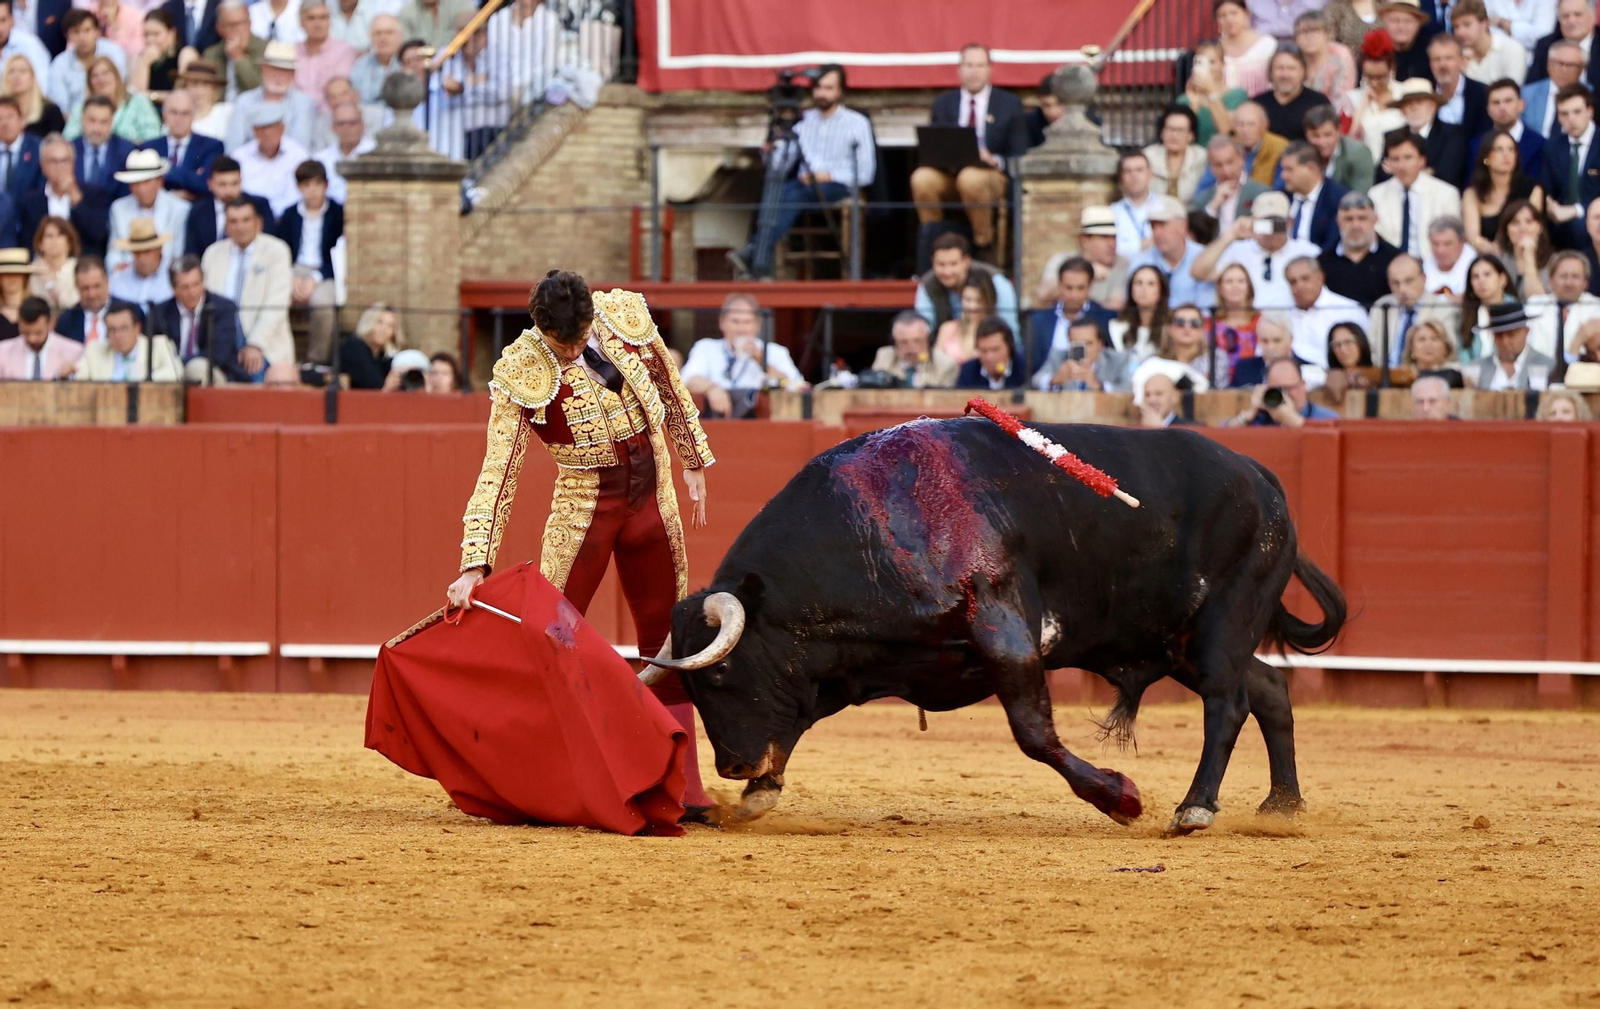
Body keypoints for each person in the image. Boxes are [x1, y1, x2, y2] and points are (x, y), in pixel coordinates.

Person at [441, 270, 716, 815]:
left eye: (577, 339)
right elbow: (499, 469)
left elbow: (666, 379)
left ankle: (683, 786)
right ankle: (517, 775)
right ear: (539, 327)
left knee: (669, 643)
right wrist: (475, 563)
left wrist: (694, 458)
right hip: (585, 506)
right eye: (558, 343)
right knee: (551, 637)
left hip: (652, 496)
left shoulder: (623, 317)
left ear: (592, 317)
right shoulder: (522, 369)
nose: (569, 351)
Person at [727, 65, 874, 281]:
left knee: (793, 193)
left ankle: (755, 253)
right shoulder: (804, 120)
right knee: (778, 191)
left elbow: (866, 172)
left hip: (837, 185)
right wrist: (771, 150)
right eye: (818, 88)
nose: (822, 94)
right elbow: (781, 166)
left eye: (828, 88)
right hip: (802, 186)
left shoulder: (857, 123)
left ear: (840, 91)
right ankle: (759, 260)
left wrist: (828, 175)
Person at [909, 43, 1026, 259]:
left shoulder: (1009, 104)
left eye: (980, 65)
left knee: (970, 178)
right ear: (959, 69)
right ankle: (936, 245)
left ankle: (983, 245)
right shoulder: (943, 103)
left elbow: (1019, 154)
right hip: (950, 172)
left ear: (990, 69)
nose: (974, 71)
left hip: (990, 176)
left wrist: (993, 159)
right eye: (969, 65)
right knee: (922, 178)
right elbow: (934, 144)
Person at [678, 292, 806, 418]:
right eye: (735, 322)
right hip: (714, 420)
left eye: (747, 322)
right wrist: (711, 388)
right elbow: (687, 379)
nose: (741, 329)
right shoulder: (706, 347)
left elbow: (798, 387)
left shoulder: (774, 352)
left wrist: (761, 359)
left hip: (760, 424)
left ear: (757, 325)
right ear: (722, 323)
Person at [1192, 190, 1321, 315]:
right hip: (1247, 324)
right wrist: (1230, 235)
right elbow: (1199, 272)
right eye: (1264, 223)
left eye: (1277, 223)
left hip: (1294, 321)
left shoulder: (1309, 252)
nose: (1271, 229)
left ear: (1289, 223)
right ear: (1253, 222)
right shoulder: (1237, 250)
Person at [200, 196, 291, 372]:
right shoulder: (212, 253)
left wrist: (255, 345)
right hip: (221, 340)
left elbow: (277, 304)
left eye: (246, 220)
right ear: (226, 226)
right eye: (233, 221)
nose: (240, 227)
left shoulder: (276, 251)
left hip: (264, 344)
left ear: (259, 222)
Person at [269, 158, 338, 360]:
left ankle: (316, 360)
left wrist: (315, 278)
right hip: (294, 269)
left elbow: (339, 254)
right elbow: (282, 249)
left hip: (325, 272)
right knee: (275, 299)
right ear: (299, 188)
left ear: (326, 185)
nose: (313, 190)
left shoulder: (337, 213)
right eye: (306, 185)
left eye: (317, 184)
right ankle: (280, 358)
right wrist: (291, 277)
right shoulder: (290, 214)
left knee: (323, 303)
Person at [149, 251, 245, 382]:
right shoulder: (160, 313)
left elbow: (217, 354)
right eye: (185, 287)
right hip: (170, 376)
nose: (192, 292)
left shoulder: (222, 308)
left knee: (197, 369)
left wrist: (180, 365)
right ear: (174, 289)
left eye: (196, 284)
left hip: (216, 373)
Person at [1369, 129, 1462, 258]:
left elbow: (1452, 240)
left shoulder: (1446, 194)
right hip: (1390, 266)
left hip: (1433, 264)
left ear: (1422, 161)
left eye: (1408, 158)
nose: (1401, 165)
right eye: (1395, 159)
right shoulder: (1375, 195)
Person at [914, 232, 1018, 335]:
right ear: (932, 262)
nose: (947, 271)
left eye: (953, 264)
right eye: (941, 264)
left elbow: (1009, 328)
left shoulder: (996, 281)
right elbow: (923, 327)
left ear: (966, 261)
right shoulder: (927, 284)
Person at [1029, 256, 1117, 374]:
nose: (1074, 295)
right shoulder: (1040, 320)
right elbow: (1031, 365)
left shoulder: (1104, 318)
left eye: (1080, 288)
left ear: (1090, 287)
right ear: (1059, 285)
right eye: (1069, 288)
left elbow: (1111, 362)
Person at [1464, 127, 1545, 256]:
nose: (1506, 155)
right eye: (1499, 149)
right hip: (1485, 257)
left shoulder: (1531, 188)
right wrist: (1490, 249)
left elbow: (1532, 229)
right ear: (1486, 157)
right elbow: (1473, 236)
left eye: (1511, 149)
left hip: (1523, 254)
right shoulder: (1473, 192)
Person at [1538, 83, 1600, 249]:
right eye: (1564, 114)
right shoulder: (1553, 147)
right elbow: (1546, 187)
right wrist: (1550, 205)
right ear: (1558, 117)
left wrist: (1576, 210)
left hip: (1594, 218)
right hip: (1559, 221)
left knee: (1578, 226)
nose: (1571, 119)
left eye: (1577, 112)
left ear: (1590, 111)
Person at [106, 147, 187, 274]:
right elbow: (114, 251)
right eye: (136, 183)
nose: (141, 188)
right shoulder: (118, 208)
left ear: (160, 181)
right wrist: (118, 267)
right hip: (128, 276)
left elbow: (177, 252)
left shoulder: (179, 208)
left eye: (146, 182)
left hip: (165, 278)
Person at [224, 41, 314, 153]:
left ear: (293, 74)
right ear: (263, 69)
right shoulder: (244, 101)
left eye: (285, 71)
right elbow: (234, 146)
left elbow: (301, 144)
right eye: (274, 69)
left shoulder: (303, 102)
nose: (279, 76)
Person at [1033, 205, 1128, 310]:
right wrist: (1085, 272)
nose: (1112, 244)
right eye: (1104, 237)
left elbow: (1116, 306)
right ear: (1085, 240)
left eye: (1114, 237)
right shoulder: (1062, 259)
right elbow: (1042, 295)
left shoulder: (1122, 264)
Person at [1128, 194, 1215, 308]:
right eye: (1153, 226)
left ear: (1183, 226)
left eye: (1163, 225)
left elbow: (1209, 308)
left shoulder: (1204, 258)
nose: (1157, 233)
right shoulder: (1141, 262)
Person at [1379, 77, 1467, 191]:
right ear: (1402, 111)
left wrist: (1400, 172)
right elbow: (1382, 175)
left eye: (1419, 102)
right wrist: (1426, 171)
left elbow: (1448, 174)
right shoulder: (1391, 136)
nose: (1414, 108)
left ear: (1433, 107)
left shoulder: (1451, 134)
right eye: (1408, 104)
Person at [1320, 190, 1400, 307]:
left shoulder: (1395, 260)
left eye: (1362, 218)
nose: (1355, 225)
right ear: (1338, 221)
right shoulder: (1322, 263)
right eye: (1348, 219)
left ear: (1375, 220)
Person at [1285, 255, 1367, 366]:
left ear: (1320, 277)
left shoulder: (1349, 310)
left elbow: (1364, 354)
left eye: (1305, 279)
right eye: (1293, 282)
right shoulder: (1281, 312)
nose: (1299, 286)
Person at [1339, 30, 1406, 161]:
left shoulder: (1404, 93)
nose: (1374, 83)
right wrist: (1363, 105)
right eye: (1369, 77)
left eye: (1380, 77)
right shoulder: (1352, 99)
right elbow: (1345, 143)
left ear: (1392, 69)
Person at [70, 301, 182, 379]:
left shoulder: (159, 345)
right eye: (112, 330)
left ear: (137, 328)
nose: (118, 335)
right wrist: (68, 374)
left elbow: (176, 371)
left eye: (124, 329)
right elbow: (78, 376)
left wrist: (145, 381)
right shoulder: (95, 350)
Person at [145, 87, 222, 200]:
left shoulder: (211, 146)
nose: (179, 119)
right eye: (174, 112)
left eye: (185, 113)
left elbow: (206, 184)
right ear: (164, 114)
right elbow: (144, 188)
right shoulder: (149, 147)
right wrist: (192, 177)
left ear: (193, 116)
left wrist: (166, 168)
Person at [45, 9, 126, 116]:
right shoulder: (59, 64)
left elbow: (120, 89)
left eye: (87, 30)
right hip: (76, 121)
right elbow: (61, 108)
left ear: (97, 32)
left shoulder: (114, 53)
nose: (82, 37)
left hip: (117, 114)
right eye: (76, 32)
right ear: (67, 36)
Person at [232, 100, 308, 215]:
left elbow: (297, 195)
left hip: (287, 219)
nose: (267, 133)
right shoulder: (239, 156)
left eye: (272, 127)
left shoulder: (298, 154)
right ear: (254, 131)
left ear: (282, 128)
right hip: (251, 218)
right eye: (261, 128)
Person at [184, 153, 269, 251]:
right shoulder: (198, 211)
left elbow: (269, 244)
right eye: (222, 184)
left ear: (241, 182)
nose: (229, 191)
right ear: (210, 184)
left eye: (234, 183)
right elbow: (191, 251)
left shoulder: (259, 206)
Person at [63, 56, 159, 144]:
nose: (101, 79)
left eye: (105, 73)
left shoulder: (139, 102)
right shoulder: (81, 109)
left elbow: (153, 136)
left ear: (116, 76)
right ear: (89, 83)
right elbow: (68, 140)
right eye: (95, 76)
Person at [1190, 136, 1269, 239]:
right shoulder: (1203, 198)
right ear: (1210, 167)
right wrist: (1213, 206)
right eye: (1218, 165)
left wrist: (1251, 226)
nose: (1226, 171)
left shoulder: (1261, 191)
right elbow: (1194, 235)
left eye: (1230, 162)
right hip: (1215, 253)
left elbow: (1278, 227)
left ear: (1242, 160)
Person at [1526, 249, 1600, 359]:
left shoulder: (1596, 307)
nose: (1569, 283)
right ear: (1551, 281)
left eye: (1575, 276)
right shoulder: (1534, 305)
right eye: (1563, 276)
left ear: (1585, 283)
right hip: (1538, 371)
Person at [1469, 79, 1544, 182]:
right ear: (1488, 110)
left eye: (1508, 101)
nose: (1502, 107)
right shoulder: (1476, 145)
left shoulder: (1540, 144)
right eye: (1496, 103)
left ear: (1521, 105)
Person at [1279, 139, 1348, 250]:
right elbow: (1269, 232)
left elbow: (1332, 245)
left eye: (1289, 170)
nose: (1283, 176)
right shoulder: (1282, 196)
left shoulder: (1337, 199)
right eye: (1283, 169)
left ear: (1311, 168)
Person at [1469, 301, 1556, 388]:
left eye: (1511, 334)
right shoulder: (1477, 368)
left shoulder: (1548, 366)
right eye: (1498, 335)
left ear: (1526, 332)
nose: (1505, 341)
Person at [1232, 355, 1342, 424]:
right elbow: (1221, 446)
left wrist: (1294, 420)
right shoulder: (1260, 418)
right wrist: (1247, 416)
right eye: (1277, 389)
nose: (1284, 395)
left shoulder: (1327, 418)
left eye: (1289, 388)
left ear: (1302, 385)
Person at [1032, 315, 1130, 392]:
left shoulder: (1118, 359)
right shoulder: (1059, 356)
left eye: (1088, 343)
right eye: (1077, 343)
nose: (1084, 349)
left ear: (1100, 344)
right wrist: (1053, 379)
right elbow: (1036, 381)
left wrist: (1099, 385)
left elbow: (1128, 390)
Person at [1252, 45, 1329, 142]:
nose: (1285, 75)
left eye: (1291, 68)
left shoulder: (1318, 103)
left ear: (1303, 71)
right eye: (1280, 68)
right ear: (1271, 72)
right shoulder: (1257, 104)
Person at [1142, 301, 1227, 388]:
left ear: (1202, 329)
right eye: (1180, 322)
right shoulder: (1154, 361)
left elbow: (1219, 393)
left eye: (1195, 323)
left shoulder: (1216, 359)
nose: (1187, 328)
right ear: (1169, 328)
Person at [1179, 40, 1248, 146]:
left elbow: (1227, 132)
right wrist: (1193, 105)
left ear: (1222, 64)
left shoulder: (1237, 95)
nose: (1208, 68)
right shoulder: (1184, 99)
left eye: (1212, 62)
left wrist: (1211, 92)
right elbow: (1181, 138)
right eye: (1201, 62)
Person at [869, 309, 958, 388]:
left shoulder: (945, 364)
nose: (911, 348)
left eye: (917, 341)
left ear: (928, 340)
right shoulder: (884, 357)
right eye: (903, 342)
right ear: (894, 342)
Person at [293, 0, 355, 113]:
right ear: (301, 23)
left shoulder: (344, 51)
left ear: (330, 22)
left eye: (323, 17)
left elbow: (339, 94)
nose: (317, 23)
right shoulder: (292, 52)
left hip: (330, 115)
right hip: (296, 115)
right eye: (311, 18)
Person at [0, 293, 81, 378]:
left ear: (50, 324)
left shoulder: (74, 353)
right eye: (26, 332)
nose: (32, 339)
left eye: (38, 333)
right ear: (19, 324)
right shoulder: (2, 352)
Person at [55, 254, 132, 342]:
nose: (92, 294)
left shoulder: (127, 313)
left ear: (107, 282)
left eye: (96, 286)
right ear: (77, 287)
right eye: (85, 288)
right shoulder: (67, 320)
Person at [1427, 33, 1489, 139]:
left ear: (1461, 61)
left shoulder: (1482, 93)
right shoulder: (1425, 93)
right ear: (1430, 64)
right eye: (1437, 59)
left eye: (1449, 58)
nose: (1442, 65)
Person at [1528, 0, 1600, 91]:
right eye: (1565, 16)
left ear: (1593, 17)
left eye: (1578, 15)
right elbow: (1533, 88)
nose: (1571, 21)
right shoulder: (1546, 45)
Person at [107, 216, 173, 313]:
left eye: (146, 251)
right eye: (137, 252)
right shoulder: (118, 279)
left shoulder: (173, 275)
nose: (141, 258)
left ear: (159, 249)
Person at [1305, 102, 1374, 193]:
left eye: (1327, 135)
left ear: (1339, 131)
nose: (1322, 142)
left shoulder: (1358, 153)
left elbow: (1361, 195)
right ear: (1306, 135)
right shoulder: (1302, 154)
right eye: (1315, 136)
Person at [201, 1, 262, 102]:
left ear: (250, 24)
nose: (236, 30)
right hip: (219, 111)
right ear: (219, 28)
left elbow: (260, 90)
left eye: (240, 24)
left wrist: (238, 57)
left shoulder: (263, 49)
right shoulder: (211, 54)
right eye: (230, 25)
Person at [1522, 40, 1586, 139]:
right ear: (1549, 64)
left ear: (1582, 69)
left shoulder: (1591, 96)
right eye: (1560, 63)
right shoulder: (1527, 94)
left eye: (1570, 65)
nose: (1564, 69)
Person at [1144, 105, 1207, 204]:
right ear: (1162, 132)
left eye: (1180, 130)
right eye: (1170, 129)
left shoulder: (1203, 158)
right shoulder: (1147, 157)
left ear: (1191, 135)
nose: (1174, 135)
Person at [1454, 0, 1527, 85]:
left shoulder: (1512, 50)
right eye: (1456, 27)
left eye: (1467, 25)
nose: (1460, 32)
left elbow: (1511, 92)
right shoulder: (1460, 58)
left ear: (1484, 24)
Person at [1459, 248, 1517, 354]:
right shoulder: (1468, 314)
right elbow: (1464, 352)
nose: (1481, 281)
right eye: (1475, 277)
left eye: (1487, 274)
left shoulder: (1516, 310)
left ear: (1502, 279)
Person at [1107, 264, 1170, 361]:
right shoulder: (1116, 327)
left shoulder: (1171, 328)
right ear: (1131, 289)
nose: (1143, 289)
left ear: (1161, 291)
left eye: (1151, 284)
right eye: (1138, 283)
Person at [311, 98, 368, 203]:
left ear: (362, 125)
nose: (346, 128)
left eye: (352, 123)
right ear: (333, 127)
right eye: (341, 123)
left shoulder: (376, 154)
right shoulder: (320, 159)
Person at [1109, 150, 1162, 261]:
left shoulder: (1165, 206)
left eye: (1139, 170)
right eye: (1128, 171)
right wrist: (1145, 244)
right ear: (1121, 178)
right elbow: (1111, 249)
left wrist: (1130, 247)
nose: (1134, 176)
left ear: (1150, 174)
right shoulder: (1112, 212)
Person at [1215, 0, 1277, 95]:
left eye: (1234, 13)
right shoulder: (1215, 48)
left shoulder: (1267, 45)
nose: (1229, 19)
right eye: (1222, 15)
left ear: (1246, 13)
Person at [1214, 261, 1261, 383]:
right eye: (1229, 281)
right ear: (1220, 288)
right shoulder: (1210, 324)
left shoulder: (1261, 321)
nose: (1235, 286)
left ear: (1249, 287)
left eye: (1241, 281)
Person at [337, 300, 399, 389]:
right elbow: (375, 385)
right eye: (379, 322)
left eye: (390, 326)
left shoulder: (382, 357)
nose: (384, 329)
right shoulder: (354, 347)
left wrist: (391, 353)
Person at [1295, 10, 1358, 97]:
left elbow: (1342, 97)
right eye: (1303, 32)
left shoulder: (1340, 56)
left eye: (1315, 31)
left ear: (1327, 34)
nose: (1309, 37)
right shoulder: (1292, 57)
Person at [935, 277, 995, 364]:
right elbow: (936, 365)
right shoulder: (947, 328)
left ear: (988, 301)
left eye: (979, 300)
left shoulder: (996, 332)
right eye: (968, 299)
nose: (973, 306)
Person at [1229, 101, 1288, 186]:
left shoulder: (1280, 147)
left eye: (1251, 124)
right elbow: (1206, 186)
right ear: (1233, 126)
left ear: (1265, 125)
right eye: (1240, 124)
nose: (1245, 130)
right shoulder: (1226, 148)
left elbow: (1280, 187)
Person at [129, 9, 183, 100]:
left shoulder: (183, 54)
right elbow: (135, 96)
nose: (150, 40)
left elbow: (181, 95)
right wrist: (144, 64)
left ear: (171, 34)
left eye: (156, 34)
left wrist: (152, 96)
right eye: (146, 35)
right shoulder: (140, 58)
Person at [1378, 0, 1437, 82]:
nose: (1401, 27)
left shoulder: (1430, 52)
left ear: (1418, 24)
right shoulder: (1375, 51)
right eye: (1394, 20)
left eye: (1408, 21)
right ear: (1384, 22)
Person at [28, 213, 78, 309]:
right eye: (49, 236)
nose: (54, 240)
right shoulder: (31, 272)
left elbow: (72, 304)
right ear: (40, 243)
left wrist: (49, 283)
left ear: (69, 242)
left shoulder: (78, 269)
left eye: (60, 235)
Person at [4, 54, 60, 138]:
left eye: (22, 71)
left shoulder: (50, 111)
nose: (16, 76)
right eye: (11, 71)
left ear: (32, 77)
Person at [349, 13, 400, 104]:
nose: (383, 38)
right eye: (378, 33)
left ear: (400, 36)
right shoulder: (361, 64)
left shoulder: (408, 62)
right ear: (371, 37)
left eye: (389, 32)